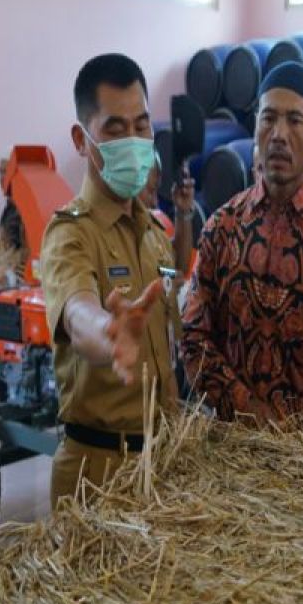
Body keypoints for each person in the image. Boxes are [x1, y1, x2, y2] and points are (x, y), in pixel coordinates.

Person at [181, 62, 303, 436]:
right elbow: (194, 337)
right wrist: (248, 411)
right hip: (229, 450)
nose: (279, 134)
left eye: (295, 121)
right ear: (254, 129)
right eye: (268, 119)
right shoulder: (222, 228)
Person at [39, 53, 179, 507]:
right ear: (82, 140)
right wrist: (109, 332)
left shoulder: (156, 233)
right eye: (116, 130)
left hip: (165, 464)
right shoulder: (69, 235)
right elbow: (80, 313)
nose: (134, 141)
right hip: (99, 476)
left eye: (142, 125)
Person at [138, 152, 195, 277]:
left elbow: (178, 266)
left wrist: (183, 212)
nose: (155, 202)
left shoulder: (151, 222)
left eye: (156, 192)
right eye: (151, 191)